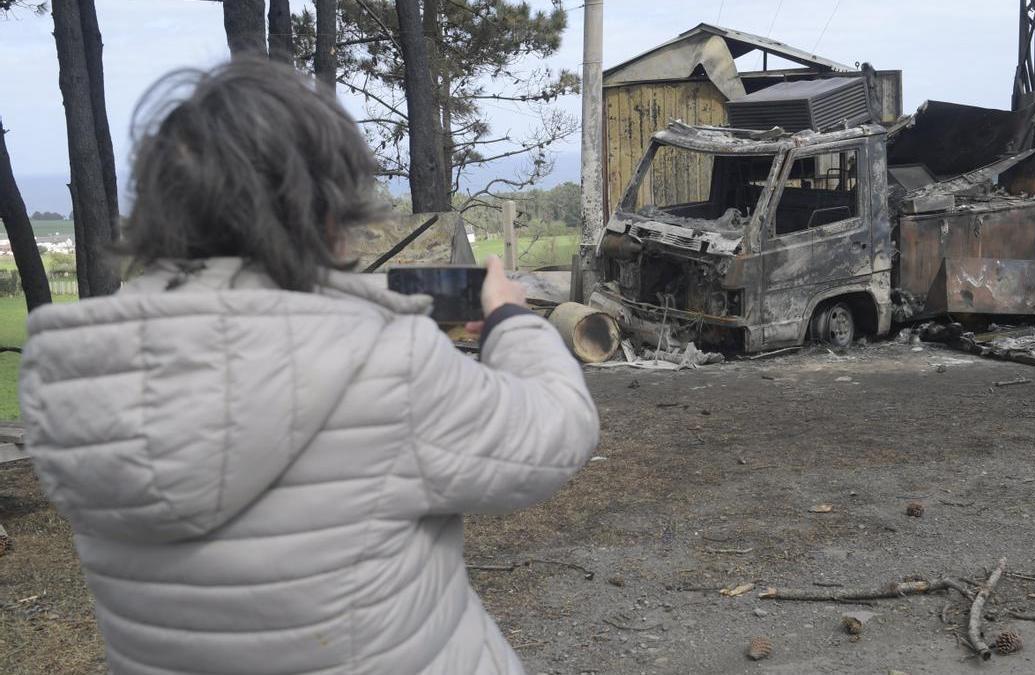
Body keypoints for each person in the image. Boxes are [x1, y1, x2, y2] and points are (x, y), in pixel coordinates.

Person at [18, 58, 599, 675]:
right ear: (323, 213)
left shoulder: (80, 379)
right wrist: (510, 323)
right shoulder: (385, 361)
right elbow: (555, 434)